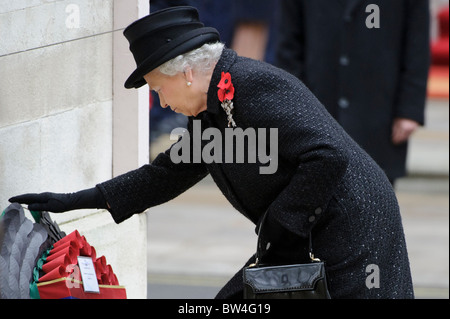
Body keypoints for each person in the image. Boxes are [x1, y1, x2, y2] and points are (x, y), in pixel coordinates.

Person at [10, 6, 414, 298]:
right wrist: (78, 200)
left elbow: (328, 155)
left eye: (157, 89)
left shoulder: (253, 86)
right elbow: (167, 174)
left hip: (353, 233)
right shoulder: (211, 110)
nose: (161, 102)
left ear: (186, 74)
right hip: (306, 234)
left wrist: (283, 224)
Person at [275, 0, 431, 185]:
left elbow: (417, 42)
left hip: (378, 109)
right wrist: (291, 104)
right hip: (318, 104)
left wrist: (409, 109)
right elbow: (288, 44)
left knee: (375, 201)